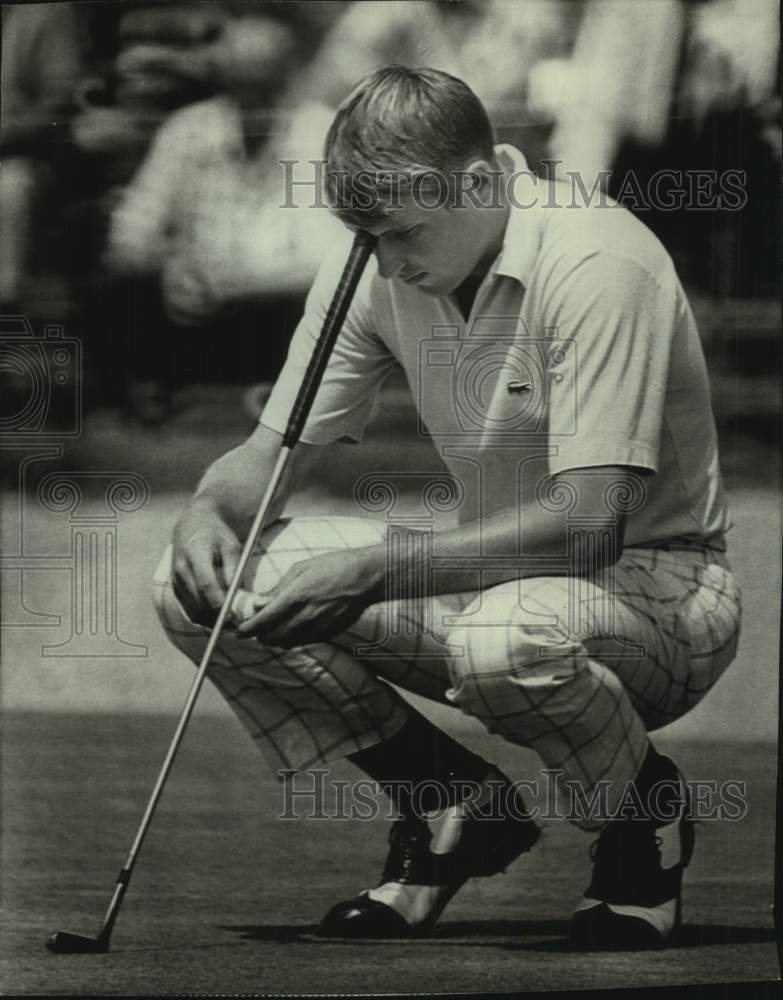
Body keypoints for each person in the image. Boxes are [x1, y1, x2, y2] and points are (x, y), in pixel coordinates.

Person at [153, 67, 742, 949]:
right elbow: (267, 456)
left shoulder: (595, 257)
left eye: (401, 232)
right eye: (365, 235)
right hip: (494, 575)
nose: (385, 262)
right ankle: (452, 808)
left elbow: (590, 521)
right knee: (191, 587)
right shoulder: (376, 256)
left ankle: (642, 824)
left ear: (477, 182)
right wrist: (208, 510)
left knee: (502, 639)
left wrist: (378, 567)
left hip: (662, 589)